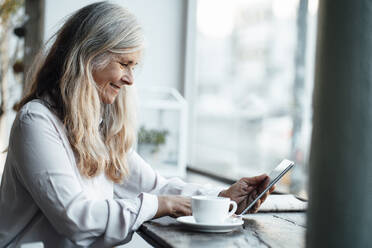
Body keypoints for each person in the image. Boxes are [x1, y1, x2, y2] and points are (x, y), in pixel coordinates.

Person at [0, 2, 274, 247]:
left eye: (134, 67)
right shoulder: (36, 121)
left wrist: (223, 197)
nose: (130, 79)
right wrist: (161, 206)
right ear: (88, 57)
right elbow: (75, 219)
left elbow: (155, 186)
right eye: (124, 64)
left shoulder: (98, 127)